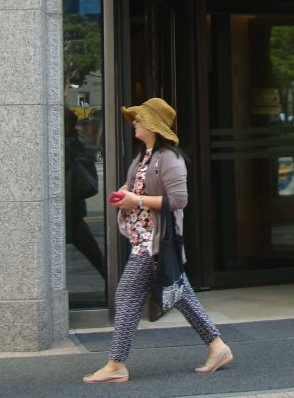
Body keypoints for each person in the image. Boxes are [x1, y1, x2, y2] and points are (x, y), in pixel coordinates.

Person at [83, 97, 233, 384]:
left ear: (152, 125)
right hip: (142, 238)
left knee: (126, 296)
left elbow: (179, 200)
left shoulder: (169, 159)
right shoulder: (144, 156)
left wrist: (136, 199)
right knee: (180, 294)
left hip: (155, 242)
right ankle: (217, 346)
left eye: (139, 119)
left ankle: (116, 365)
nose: (135, 123)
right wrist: (124, 196)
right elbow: (135, 189)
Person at [64, 110, 106, 279]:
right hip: (73, 208)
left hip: (71, 208)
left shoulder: (70, 142)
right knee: (92, 250)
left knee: (92, 250)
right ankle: (111, 280)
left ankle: (112, 282)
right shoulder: (74, 141)